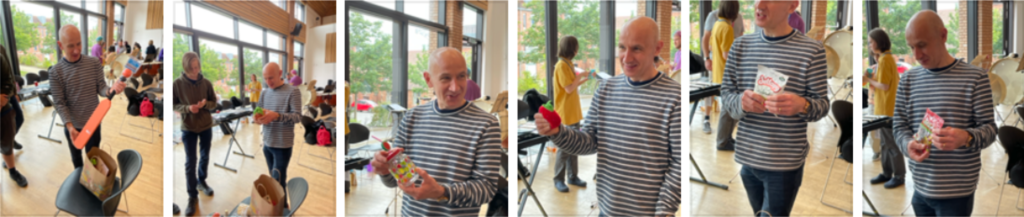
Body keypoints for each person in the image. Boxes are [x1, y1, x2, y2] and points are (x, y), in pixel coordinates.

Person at [534, 17, 680, 216]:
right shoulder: (605, 89)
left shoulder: (674, 96)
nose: (626, 58)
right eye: (622, 47)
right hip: (607, 209)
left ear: (657, 48)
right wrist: (558, 132)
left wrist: (664, 211)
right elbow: (589, 142)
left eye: (636, 48)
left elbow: (678, 164)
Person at [720, 1, 829, 215]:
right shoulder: (740, 46)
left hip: (784, 165)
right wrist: (741, 102)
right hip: (747, 159)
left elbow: (822, 106)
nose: (759, 4)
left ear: (791, 5)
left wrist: (802, 104)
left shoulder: (812, 50)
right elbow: (726, 97)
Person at [369, 47, 502, 216]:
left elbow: (487, 189)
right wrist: (384, 170)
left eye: (461, 76)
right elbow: (394, 181)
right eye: (446, 78)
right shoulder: (411, 118)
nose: (455, 87)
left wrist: (441, 192)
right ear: (428, 79)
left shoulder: (487, 124)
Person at [896, 10, 996, 216]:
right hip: (920, 187)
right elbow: (899, 126)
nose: (916, 55)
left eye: (922, 45)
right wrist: (907, 144)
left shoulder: (975, 78)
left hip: (957, 193)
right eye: (911, 47)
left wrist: (967, 137)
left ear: (943, 35)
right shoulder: (907, 80)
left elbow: (990, 130)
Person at [50, 25, 126, 170]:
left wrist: (111, 90)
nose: (77, 50)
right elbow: (59, 103)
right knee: (77, 161)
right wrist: (70, 127)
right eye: (70, 46)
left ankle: (93, 185)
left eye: (79, 44)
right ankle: (79, 184)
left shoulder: (93, 63)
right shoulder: (55, 72)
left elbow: (101, 88)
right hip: (73, 127)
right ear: (60, 45)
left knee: (94, 161)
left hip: (94, 122)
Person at [173, 52, 218, 216]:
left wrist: (206, 105)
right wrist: (187, 108)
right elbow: (173, 104)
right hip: (188, 128)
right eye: (191, 68)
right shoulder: (177, 84)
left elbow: (214, 103)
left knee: (205, 156)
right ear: (185, 67)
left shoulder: (206, 82)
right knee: (190, 161)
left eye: (197, 67)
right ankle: (192, 196)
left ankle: (202, 181)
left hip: (206, 125)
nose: (195, 71)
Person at [254, 62, 303, 205]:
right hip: (267, 143)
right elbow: (258, 110)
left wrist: (277, 116)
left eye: (271, 78)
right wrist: (256, 118)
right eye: (265, 78)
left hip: (282, 145)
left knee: (277, 181)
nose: (268, 82)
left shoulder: (293, 91)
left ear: (280, 73)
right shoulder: (264, 92)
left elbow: (297, 117)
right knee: (275, 182)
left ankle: (282, 210)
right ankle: (282, 208)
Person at [864, 28, 904, 189]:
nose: (869, 45)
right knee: (884, 143)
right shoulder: (883, 59)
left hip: (888, 108)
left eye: (871, 42)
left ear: (879, 42)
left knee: (891, 143)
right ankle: (887, 173)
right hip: (882, 107)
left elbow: (885, 86)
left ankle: (899, 176)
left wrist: (868, 80)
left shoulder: (886, 60)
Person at [550, 35, 589, 193]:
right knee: (565, 147)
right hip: (565, 113)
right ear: (572, 48)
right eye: (576, 46)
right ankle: (558, 179)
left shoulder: (568, 64)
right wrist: (579, 77)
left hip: (572, 111)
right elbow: (568, 88)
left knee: (574, 145)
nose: (577, 49)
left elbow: (571, 85)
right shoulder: (561, 65)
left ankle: (573, 176)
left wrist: (583, 79)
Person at [704, 0, 740, 152]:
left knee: (729, 107)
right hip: (727, 73)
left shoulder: (717, 25)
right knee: (728, 109)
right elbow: (727, 55)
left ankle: (727, 138)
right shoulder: (726, 28)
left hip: (719, 72)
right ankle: (722, 141)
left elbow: (712, 47)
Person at [1, 44, 27, 187]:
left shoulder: (1, 49)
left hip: (6, 95)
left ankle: (9, 141)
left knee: (19, 118)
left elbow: (9, 74)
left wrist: (14, 93)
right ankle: (7, 146)